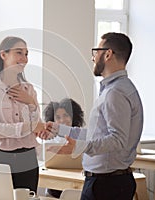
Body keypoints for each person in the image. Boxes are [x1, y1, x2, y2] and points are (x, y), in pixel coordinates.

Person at [39, 32, 144, 200]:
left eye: (96, 52)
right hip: (104, 182)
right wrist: (58, 129)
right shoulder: (115, 89)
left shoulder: (115, 92)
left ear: (108, 54)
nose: (93, 58)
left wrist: (78, 147)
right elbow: (97, 134)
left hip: (107, 185)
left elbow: (117, 139)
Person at [0, 36, 44, 192]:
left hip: (28, 159)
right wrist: (28, 127)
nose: (24, 59)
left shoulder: (29, 89)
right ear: (3, 55)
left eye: (26, 54)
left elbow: (38, 125)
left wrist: (31, 103)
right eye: (19, 53)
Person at [43, 98, 85, 198]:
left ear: (73, 116)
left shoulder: (82, 136)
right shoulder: (50, 140)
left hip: (78, 183)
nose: (62, 120)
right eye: (58, 117)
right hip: (54, 184)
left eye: (66, 115)